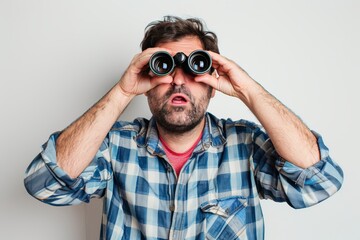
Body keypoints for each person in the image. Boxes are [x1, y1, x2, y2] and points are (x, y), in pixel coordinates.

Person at [24, 16, 343, 240]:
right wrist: (121, 93)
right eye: (165, 67)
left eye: (193, 68)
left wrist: (249, 90)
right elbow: (43, 185)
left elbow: (320, 183)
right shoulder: (116, 147)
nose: (178, 79)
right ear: (146, 83)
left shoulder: (244, 145)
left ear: (212, 84)